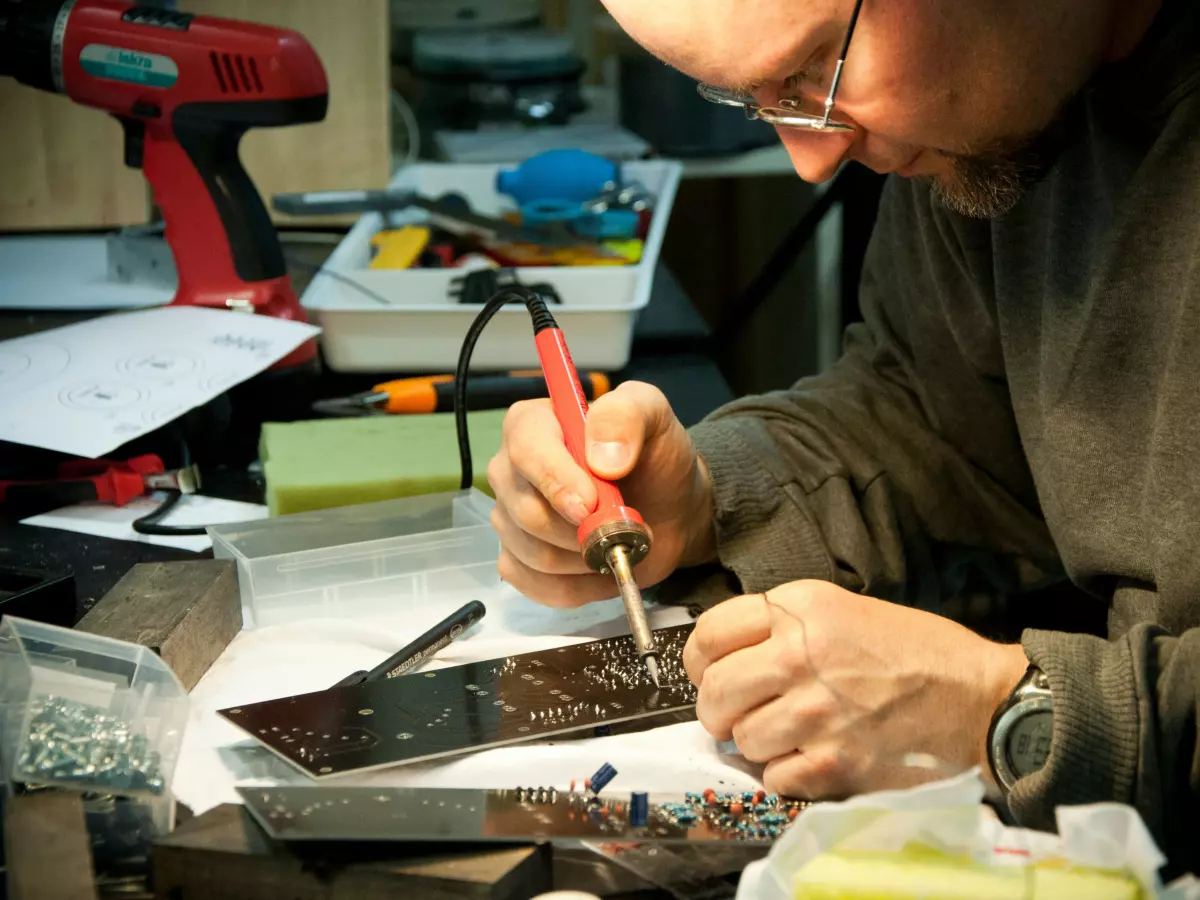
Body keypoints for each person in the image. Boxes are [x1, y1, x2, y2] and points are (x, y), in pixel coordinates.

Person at [485, 0, 1200, 873]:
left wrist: (1004, 714)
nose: (811, 158)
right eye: (754, 102)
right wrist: (713, 494)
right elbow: (945, 425)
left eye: (815, 69)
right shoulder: (995, 116)